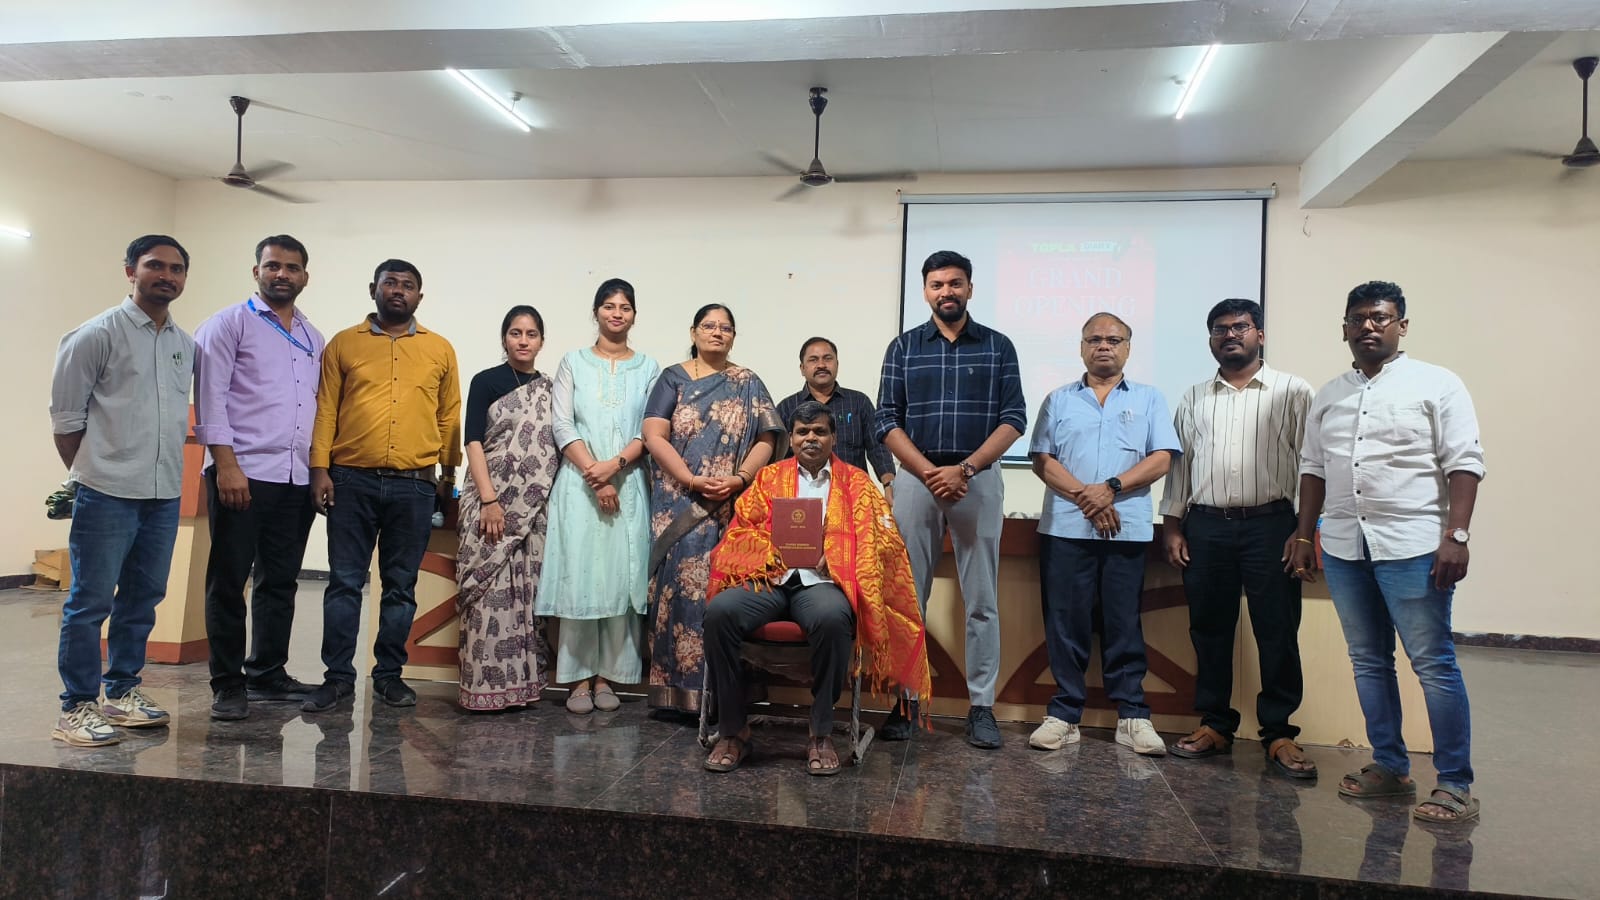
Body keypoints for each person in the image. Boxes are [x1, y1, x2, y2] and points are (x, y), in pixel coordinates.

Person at [1287, 280, 1485, 824]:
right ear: (1344, 329)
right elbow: (1313, 468)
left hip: (1413, 546)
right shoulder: (1330, 394)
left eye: (1380, 317)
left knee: (1433, 663)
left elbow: (1465, 462)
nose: (1368, 326)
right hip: (1345, 546)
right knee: (1368, 661)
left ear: (1402, 325)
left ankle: (1454, 783)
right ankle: (1391, 767)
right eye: (1358, 319)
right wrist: (1304, 535)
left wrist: (1457, 536)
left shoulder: (1437, 384)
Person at [701, 401, 931, 775]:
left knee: (832, 618)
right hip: (770, 579)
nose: (811, 438)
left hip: (822, 583)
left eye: (820, 431)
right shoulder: (769, 478)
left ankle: (820, 732)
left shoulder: (857, 483)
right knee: (719, 613)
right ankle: (733, 730)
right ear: (791, 439)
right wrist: (769, 551)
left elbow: (881, 541)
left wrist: (838, 554)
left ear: (833, 438)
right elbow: (741, 529)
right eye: (803, 432)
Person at [48, 234, 196, 746]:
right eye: (155, 265)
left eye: (176, 269)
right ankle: (76, 706)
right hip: (107, 493)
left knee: (143, 598)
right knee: (90, 602)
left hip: (163, 493)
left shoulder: (183, 344)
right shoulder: (94, 335)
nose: (167, 276)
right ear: (131, 271)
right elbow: (66, 422)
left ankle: (122, 691)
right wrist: (94, 473)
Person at [874, 250, 1026, 749]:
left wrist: (965, 470)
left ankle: (981, 707)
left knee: (981, 601)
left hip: (975, 479)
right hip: (917, 482)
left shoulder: (998, 346)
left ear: (970, 288)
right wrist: (928, 472)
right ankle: (906, 701)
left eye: (955, 283)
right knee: (907, 599)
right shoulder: (903, 347)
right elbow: (886, 420)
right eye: (937, 284)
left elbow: (1014, 419)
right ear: (925, 291)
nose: (946, 292)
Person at [1160, 299, 1317, 777]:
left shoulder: (1293, 391)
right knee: (1209, 629)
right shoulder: (1193, 397)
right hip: (1206, 526)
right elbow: (1181, 466)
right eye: (1220, 329)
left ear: (1260, 335)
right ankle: (1215, 724)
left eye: (1240, 327)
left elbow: (1313, 465)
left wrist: (1305, 532)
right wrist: (1172, 525)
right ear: (1211, 339)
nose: (1230, 335)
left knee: (1277, 628)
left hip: (1273, 525)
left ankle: (1280, 732)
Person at [303, 259, 462, 713]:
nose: (398, 290)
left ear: (419, 297)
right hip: (350, 481)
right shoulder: (343, 344)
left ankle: (389, 677)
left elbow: (449, 415)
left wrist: (448, 477)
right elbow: (326, 409)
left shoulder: (439, 349)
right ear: (373, 288)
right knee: (344, 583)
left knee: (400, 587)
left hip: (415, 486)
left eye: (407, 285)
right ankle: (337, 678)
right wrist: (319, 468)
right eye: (390, 283)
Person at [1028, 312, 1178, 756]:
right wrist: (1087, 498)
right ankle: (1064, 714)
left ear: (1128, 348)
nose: (1104, 346)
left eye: (1114, 339)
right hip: (1065, 529)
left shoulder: (1150, 399)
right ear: (1081, 348)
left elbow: (1162, 458)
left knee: (1123, 623)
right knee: (1064, 622)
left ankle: (1132, 716)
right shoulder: (1058, 399)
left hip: (1125, 531)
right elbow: (1042, 460)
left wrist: (1110, 488)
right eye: (1094, 339)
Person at [193, 234, 325, 721]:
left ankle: (267, 671)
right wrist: (226, 465)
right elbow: (210, 398)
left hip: (294, 478)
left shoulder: (313, 336)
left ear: (305, 276)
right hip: (242, 474)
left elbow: (314, 406)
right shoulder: (228, 324)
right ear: (257, 272)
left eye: (292, 267)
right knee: (229, 581)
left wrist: (316, 470)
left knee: (280, 582)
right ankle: (228, 684)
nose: (282, 274)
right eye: (273, 266)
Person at [641, 303, 784, 714]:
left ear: (734, 336)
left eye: (726, 327)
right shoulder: (673, 377)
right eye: (709, 326)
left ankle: (729, 699)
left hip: (734, 508)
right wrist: (690, 479)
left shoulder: (748, 382)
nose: (717, 332)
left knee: (727, 596)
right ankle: (679, 696)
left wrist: (741, 478)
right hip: (680, 502)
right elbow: (653, 434)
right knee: (680, 594)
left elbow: (768, 438)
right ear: (694, 332)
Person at [534, 279, 660, 714]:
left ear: (634, 315)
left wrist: (615, 467)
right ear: (596, 312)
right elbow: (562, 424)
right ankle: (577, 680)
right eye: (609, 306)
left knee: (620, 581)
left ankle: (609, 678)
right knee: (581, 579)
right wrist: (597, 474)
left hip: (629, 484)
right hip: (580, 486)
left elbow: (650, 429)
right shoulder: (574, 362)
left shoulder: (648, 368)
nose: (616, 313)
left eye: (625, 307)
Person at [456, 305, 563, 710]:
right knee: (487, 597)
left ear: (541, 341)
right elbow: (474, 441)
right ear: (504, 338)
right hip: (490, 499)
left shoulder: (550, 390)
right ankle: (482, 690)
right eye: (515, 333)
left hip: (533, 509)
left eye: (531, 334)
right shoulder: (486, 381)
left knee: (528, 597)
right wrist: (489, 500)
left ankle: (523, 688)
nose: (523, 340)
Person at [775, 337, 896, 499]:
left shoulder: (858, 402)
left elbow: (877, 448)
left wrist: (889, 484)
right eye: (813, 360)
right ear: (802, 368)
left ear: (837, 364)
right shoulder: (787, 407)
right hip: (800, 498)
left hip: (852, 494)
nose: (821, 365)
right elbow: (777, 458)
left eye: (827, 358)